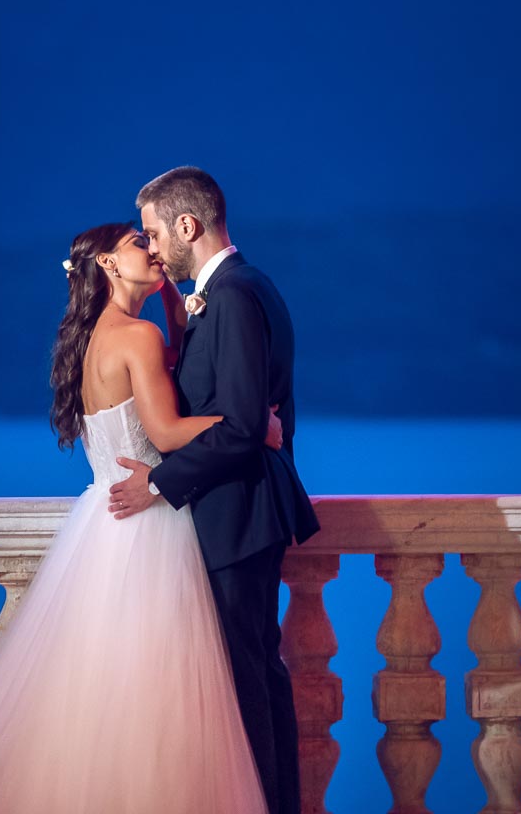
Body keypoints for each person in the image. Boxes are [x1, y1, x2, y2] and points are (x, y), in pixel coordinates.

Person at [0, 221, 284, 814]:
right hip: (149, 525)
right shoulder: (138, 336)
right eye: (138, 243)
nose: (153, 249)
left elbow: (171, 370)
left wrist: (173, 299)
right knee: (154, 692)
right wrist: (251, 426)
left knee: (101, 691)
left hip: (102, 522)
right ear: (108, 264)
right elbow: (167, 432)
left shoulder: (99, 335)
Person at [108, 166, 321, 814]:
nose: (151, 247)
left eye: (153, 232)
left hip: (239, 514)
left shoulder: (232, 295)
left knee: (245, 682)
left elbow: (243, 427)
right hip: (241, 510)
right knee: (255, 676)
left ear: (187, 225)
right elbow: (246, 414)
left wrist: (159, 484)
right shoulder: (239, 288)